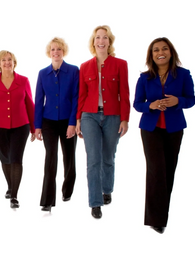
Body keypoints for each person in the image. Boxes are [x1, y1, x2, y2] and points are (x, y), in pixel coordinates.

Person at [133, 37, 194, 234]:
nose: (161, 52)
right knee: (156, 170)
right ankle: (155, 220)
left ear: (171, 52)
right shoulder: (144, 78)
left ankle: (161, 216)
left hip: (174, 128)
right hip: (150, 129)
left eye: (164, 48)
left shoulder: (183, 75)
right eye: (156, 50)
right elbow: (137, 104)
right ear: (151, 55)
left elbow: (191, 99)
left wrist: (178, 101)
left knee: (168, 171)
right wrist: (149, 105)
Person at [76, 25, 130, 219]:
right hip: (89, 115)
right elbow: (81, 95)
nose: (101, 40)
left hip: (113, 117)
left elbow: (124, 93)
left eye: (105, 37)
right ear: (93, 42)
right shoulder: (84, 66)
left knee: (108, 156)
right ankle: (95, 201)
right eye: (98, 37)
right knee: (93, 160)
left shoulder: (120, 64)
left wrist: (125, 119)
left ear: (109, 41)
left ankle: (107, 188)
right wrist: (78, 120)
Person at [0, 50, 35, 209]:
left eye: (10, 60)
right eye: (4, 60)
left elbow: (30, 104)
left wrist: (34, 128)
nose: (7, 63)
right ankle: (9, 185)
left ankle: (14, 195)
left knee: (16, 159)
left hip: (21, 126)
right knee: (5, 159)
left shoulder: (23, 80)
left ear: (14, 62)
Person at [34, 37, 79, 212]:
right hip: (49, 122)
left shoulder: (74, 71)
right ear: (49, 52)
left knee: (69, 158)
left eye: (59, 49)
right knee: (50, 158)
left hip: (68, 121)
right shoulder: (42, 73)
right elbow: (38, 101)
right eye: (53, 49)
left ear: (63, 51)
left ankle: (67, 190)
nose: (56, 52)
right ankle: (47, 200)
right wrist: (37, 126)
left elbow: (76, 98)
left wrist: (73, 123)